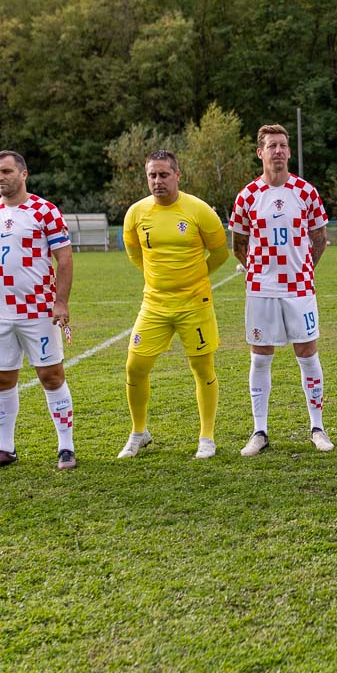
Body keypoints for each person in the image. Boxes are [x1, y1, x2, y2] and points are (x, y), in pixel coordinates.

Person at [0, 150, 76, 470]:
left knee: (51, 376)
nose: (0, 177)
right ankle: (5, 449)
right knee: (0, 380)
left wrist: (61, 301)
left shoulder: (45, 210)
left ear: (23, 174)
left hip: (39, 311)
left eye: (6, 171)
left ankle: (66, 448)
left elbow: (64, 258)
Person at [117, 150, 229, 459]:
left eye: (164, 174)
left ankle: (206, 437)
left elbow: (221, 253)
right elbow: (134, 253)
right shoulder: (136, 213)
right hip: (154, 304)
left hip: (195, 304)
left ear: (177, 175)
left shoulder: (199, 210)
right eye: (152, 175)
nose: (158, 181)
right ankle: (139, 432)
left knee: (202, 368)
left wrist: (194, 277)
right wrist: (159, 280)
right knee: (135, 367)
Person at [230, 124, 332, 454]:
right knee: (260, 358)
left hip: (299, 289)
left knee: (308, 354)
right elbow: (238, 244)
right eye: (272, 146)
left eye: (283, 146)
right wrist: (261, 271)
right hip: (261, 289)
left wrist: (303, 270)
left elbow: (319, 240)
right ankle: (259, 431)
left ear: (289, 152)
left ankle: (317, 427)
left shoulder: (306, 192)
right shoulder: (247, 195)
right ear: (260, 152)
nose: (278, 151)